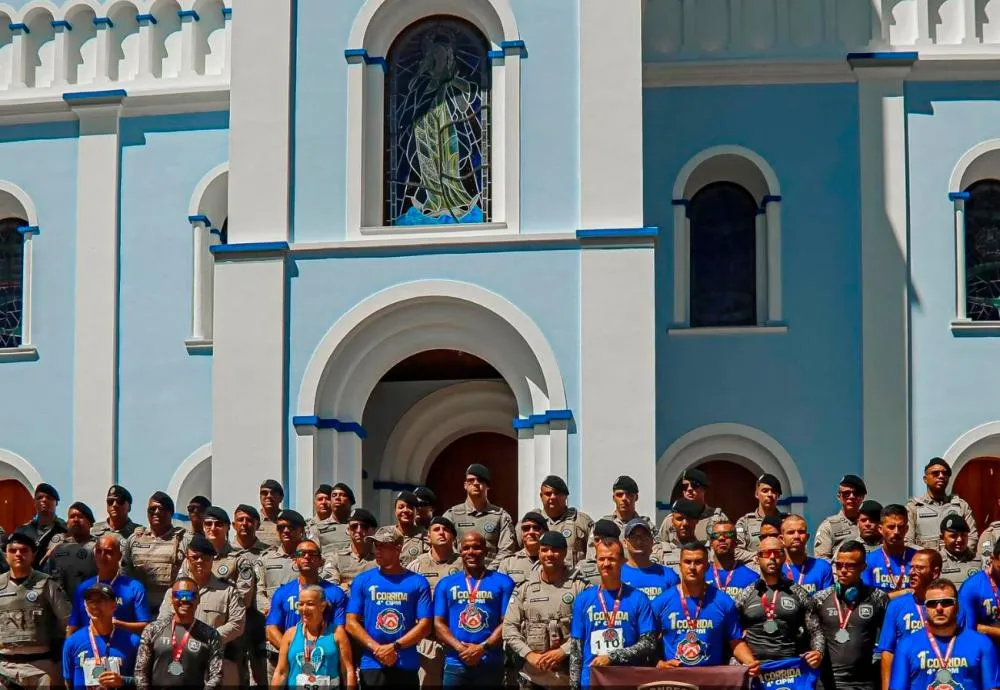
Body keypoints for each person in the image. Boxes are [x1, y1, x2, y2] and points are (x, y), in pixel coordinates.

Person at [346, 526, 433, 688]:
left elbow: (425, 625)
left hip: (405, 662)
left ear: (398, 548)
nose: (377, 550)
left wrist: (395, 647)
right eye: (375, 545)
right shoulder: (363, 580)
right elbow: (351, 622)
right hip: (372, 662)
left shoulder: (417, 582)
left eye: (382, 545)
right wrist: (377, 648)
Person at [156, 535, 245, 688]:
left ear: (213, 559)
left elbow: (237, 624)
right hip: (180, 662)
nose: (199, 561)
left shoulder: (227, 591)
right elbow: (162, 623)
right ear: (186, 558)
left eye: (205, 557)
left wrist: (208, 640)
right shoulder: (174, 591)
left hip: (215, 663)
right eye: (195, 557)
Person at [652, 541, 758, 669]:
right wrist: (658, 663)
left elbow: (735, 642)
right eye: (687, 562)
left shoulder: (723, 602)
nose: (692, 567)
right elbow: (647, 642)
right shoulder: (662, 602)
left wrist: (751, 662)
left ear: (707, 567)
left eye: (698, 562)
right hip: (675, 679)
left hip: (710, 679)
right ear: (680, 566)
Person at [568, 538, 656, 689]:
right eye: (601, 559)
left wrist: (612, 656)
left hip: (627, 681)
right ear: (596, 561)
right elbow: (576, 649)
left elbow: (649, 643)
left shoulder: (638, 598)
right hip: (592, 681)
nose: (606, 564)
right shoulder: (583, 599)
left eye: (611, 559)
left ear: (622, 561)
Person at [503, 531, 587, 688]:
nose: (550, 554)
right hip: (532, 677)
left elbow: (588, 628)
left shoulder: (580, 587)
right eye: (545, 549)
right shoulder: (524, 588)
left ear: (564, 552)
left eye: (555, 550)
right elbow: (508, 628)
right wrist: (529, 655)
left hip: (568, 678)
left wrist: (563, 651)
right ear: (539, 552)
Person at [434, 532, 515, 687]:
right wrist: (461, 648)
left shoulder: (503, 582)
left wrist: (482, 648)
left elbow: (507, 623)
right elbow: (438, 624)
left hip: (490, 661)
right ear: (460, 551)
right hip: (455, 661)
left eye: (477, 547)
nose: (471, 552)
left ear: (485, 551)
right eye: (466, 548)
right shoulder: (445, 584)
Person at [888, 578, 998, 690]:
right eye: (932, 604)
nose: (939, 608)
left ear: (957, 607)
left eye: (946, 602)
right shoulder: (906, 645)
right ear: (925, 608)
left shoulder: (982, 644)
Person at [732, 536, 824, 668]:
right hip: (755, 668)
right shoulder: (745, 595)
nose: (772, 557)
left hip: (790, 668)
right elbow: (732, 636)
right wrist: (739, 663)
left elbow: (816, 631)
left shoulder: (799, 593)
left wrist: (818, 652)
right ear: (757, 559)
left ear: (784, 557)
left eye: (777, 553)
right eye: (766, 553)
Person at [0, 528, 72, 688]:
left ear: (33, 555)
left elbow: (68, 622)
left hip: (41, 668)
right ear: (6, 555)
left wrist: (64, 660)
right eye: (12, 550)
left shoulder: (47, 584)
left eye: (24, 550)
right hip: (5, 668)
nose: (18, 554)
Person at [812, 540, 889, 690]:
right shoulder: (820, 599)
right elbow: (813, 636)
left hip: (865, 683)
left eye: (850, 565)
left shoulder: (878, 598)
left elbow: (890, 641)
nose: (843, 570)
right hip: (828, 683)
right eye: (839, 565)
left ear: (863, 567)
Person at [876, 549, 947, 688]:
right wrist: (886, 687)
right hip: (906, 681)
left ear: (935, 572)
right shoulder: (897, 606)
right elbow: (887, 651)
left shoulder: (950, 606)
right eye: (912, 567)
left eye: (919, 568)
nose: (912, 572)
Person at [134, 577, 223, 688]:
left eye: (190, 595)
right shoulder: (152, 629)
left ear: (198, 599)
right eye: (179, 595)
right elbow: (140, 671)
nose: (184, 599)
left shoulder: (210, 635)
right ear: (171, 599)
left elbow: (216, 675)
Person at [265, 540, 348, 654]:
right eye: (301, 554)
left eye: (312, 554)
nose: (307, 556)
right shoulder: (282, 593)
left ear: (320, 561)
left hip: (326, 658)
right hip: (292, 661)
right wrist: (293, 653)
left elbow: (340, 631)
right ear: (295, 560)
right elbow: (271, 630)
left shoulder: (335, 593)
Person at [407, 516, 459, 689]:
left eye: (446, 530)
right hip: (427, 642)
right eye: (436, 529)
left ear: (453, 537)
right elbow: (407, 600)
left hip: (457, 639)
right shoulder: (416, 566)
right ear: (428, 537)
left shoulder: (463, 564)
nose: (442, 533)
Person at [270, 583, 355, 689]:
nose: (304, 609)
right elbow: (281, 672)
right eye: (300, 604)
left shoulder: (337, 633)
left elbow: (347, 671)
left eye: (310, 604)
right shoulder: (290, 634)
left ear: (322, 606)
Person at [62, 583, 141, 689]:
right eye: (90, 601)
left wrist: (123, 681)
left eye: (100, 601)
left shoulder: (133, 642)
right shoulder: (72, 642)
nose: (94, 605)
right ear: (85, 606)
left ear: (114, 605)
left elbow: (144, 681)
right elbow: (68, 682)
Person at [68, 534, 151, 635]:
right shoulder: (84, 588)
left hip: (124, 647)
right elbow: (73, 625)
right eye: (99, 551)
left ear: (119, 556)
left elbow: (146, 627)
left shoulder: (134, 587)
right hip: (90, 647)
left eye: (109, 552)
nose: (102, 556)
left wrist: (117, 625)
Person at [442, 463, 516, 568]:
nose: (476, 483)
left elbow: (507, 550)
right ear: (465, 485)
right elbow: (445, 546)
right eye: (471, 480)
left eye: (481, 480)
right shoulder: (451, 515)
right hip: (460, 574)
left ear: (488, 486)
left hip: (490, 575)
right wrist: (462, 567)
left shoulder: (501, 516)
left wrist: (488, 572)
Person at [121, 491, 186, 610]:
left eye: (161, 509)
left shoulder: (182, 539)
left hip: (170, 610)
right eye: (152, 509)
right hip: (139, 611)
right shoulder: (134, 539)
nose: (156, 512)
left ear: (170, 513)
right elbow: (124, 575)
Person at [519, 475, 593, 569]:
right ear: (541, 496)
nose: (553, 497)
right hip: (539, 579)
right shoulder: (529, 523)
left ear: (566, 496)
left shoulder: (582, 521)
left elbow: (593, 556)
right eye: (548, 494)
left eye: (557, 493)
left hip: (572, 579)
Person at [906, 458, 978, 552]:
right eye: (935, 473)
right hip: (928, 563)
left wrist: (957, 555)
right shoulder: (913, 507)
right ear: (925, 479)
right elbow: (907, 542)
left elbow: (972, 537)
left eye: (945, 474)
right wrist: (932, 557)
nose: (941, 476)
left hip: (957, 563)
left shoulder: (961, 506)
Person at [42, 501, 98, 599]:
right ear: (67, 523)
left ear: (90, 523)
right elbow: (46, 575)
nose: (75, 520)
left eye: (80, 516)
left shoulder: (99, 547)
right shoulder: (58, 546)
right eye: (72, 517)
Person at [657, 468, 728, 544]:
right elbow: (659, 548)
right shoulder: (671, 520)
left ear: (704, 489)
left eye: (694, 485)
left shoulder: (718, 519)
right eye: (685, 486)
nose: (689, 489)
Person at [864, 504, 918, 594]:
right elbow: (867, 598)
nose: (896, 532)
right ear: (880, 529)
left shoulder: (918, 558)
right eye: (891, 527)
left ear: (907, 529)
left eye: (900, 527)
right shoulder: (868, 560)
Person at [621, 518, 679, 601]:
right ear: (625, 543)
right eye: (634, 537)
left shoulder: (668, 575)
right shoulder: (617, 575)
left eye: (644, 536)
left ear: (652, 541)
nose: (639, 541)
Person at [814, 475, 867, 561]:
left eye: (856, 493)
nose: (852, 496)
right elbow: (822, 560)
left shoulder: (871, 523)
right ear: (839, 497)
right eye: (846, 493)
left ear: (863, 497)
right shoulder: (829, 526)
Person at [958, 539, 1000, 648]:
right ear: (991, 558)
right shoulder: (971, 587)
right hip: (987, 651)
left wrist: (986, 628)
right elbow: (968, 629)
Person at [780, 514, 834, 595]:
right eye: (791, 532)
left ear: (807, 537)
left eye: (801, 532)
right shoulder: (776, 569)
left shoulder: (822, 567)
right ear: (782, 539)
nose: (796, 536)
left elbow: (829, 603)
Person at [736, 474, 784, 563]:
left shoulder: (786, 521)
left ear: (778, 495)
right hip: (754, 572)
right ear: (757, 494)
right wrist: (761, 555)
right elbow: (736, 551)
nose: (769, 495)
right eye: (765, 491)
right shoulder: (745, 522)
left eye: (773, 491)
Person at [329, 507, 379, 591]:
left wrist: (348, 584)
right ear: (348, 531)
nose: (358, 530)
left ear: (373, 531)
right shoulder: (336, 557)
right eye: (354, 526)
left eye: (364, 526)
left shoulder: (381, 558)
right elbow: (331, 588)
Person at [597, 475, 654, 548]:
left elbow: (657, 552)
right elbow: (592, 557)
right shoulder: (602, 527)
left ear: (636, 497)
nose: (624, 498)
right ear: (614, 498)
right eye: (619, 495)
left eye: (629, 494)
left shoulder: (647, 526)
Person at [20, 483, 68, 568]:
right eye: (39, 498)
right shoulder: (23, 530)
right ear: (34, 502)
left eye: (49, 498)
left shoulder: (65, 529)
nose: (44, 500)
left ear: (56, 503)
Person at [706, 519, 757, 598]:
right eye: (715, 535)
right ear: (711, 543)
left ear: (736, 542)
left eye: (728, 534)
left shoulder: (752, 577)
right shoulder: (701, 575)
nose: (721, 538)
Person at [310, 482, 356, 557]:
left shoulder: (358, 526)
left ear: (351, 501)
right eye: (334, 495)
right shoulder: (317, 528)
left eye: (342, 495)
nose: (337, 498)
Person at [499, 511, 544, 587]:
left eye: (536, 528)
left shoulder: (554, 562)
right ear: (522, 534)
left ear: (544, 532)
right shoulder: (508, 563)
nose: (531, 532)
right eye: (526, 528)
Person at [653, 500, 701, 571]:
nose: (684, 523)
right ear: (672, 521)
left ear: (697, 520)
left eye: (689, 519)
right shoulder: (659, 553)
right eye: (680, 519)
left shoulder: (707, 552)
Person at [572, 519, 621, 586]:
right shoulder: (581, 566)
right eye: (597, 540)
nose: (599, 543)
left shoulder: (625, 565)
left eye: (604, 539)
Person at [939, 514, 981, 587]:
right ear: (942, 537)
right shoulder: (936, 561)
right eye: (953, 536)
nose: (960, 539)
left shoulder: (980, 561)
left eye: (963, 535)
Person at [395, 491, 429, 567]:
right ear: (395, 510)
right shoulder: (385, 533)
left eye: (410, 507)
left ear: (416, 512)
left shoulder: (425, 536)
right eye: (401, 507)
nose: (405, 510)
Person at [258, 479, 285, 548]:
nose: (269, 496)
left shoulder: (288, 521)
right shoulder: (252, 520)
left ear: (281, 497)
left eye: (273, 493)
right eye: (264, 493)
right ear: (260, 497)